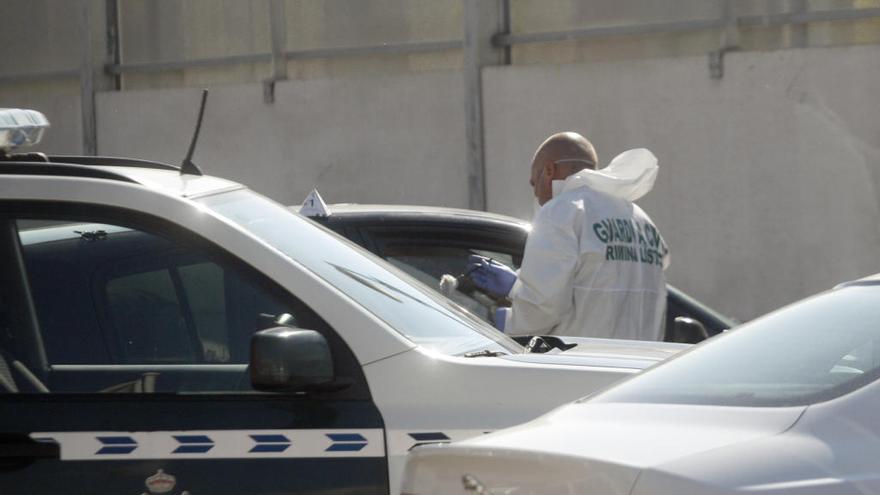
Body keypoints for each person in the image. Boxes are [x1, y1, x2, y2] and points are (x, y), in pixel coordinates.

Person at [468, 132, 669, 341]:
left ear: (548, 170)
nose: (536, 193)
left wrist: (504, 319)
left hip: (581, 365)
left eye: (534, 182)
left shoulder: (562, 212)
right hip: (643, 366)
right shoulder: (642, 221)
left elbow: (543, 308)